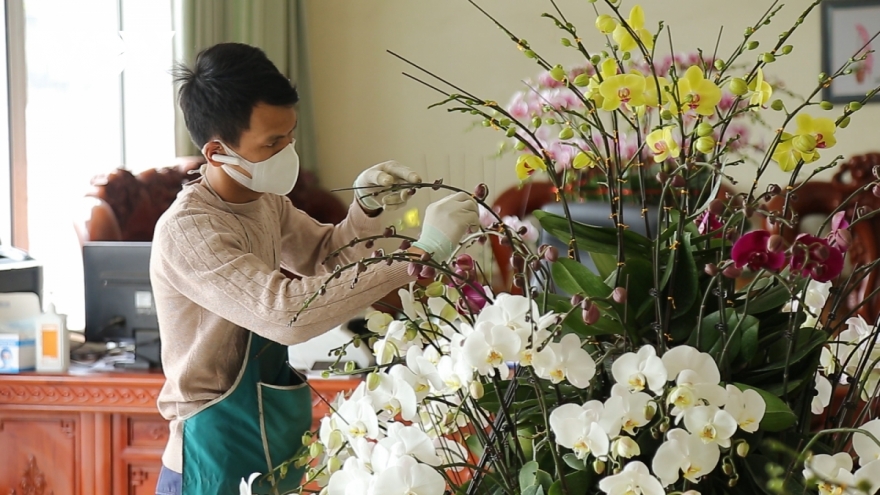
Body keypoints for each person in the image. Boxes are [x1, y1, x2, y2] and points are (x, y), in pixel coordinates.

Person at [151, 42, 479, 495]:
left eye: (290, 135)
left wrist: (366, 209)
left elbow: (324, 256)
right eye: (271, 142)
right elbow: (284, 315)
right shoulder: (189, 232)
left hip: (266, 435)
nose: (288, 150)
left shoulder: (264, 201)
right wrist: (423, 255)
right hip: (210, 455)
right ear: (216, 151)